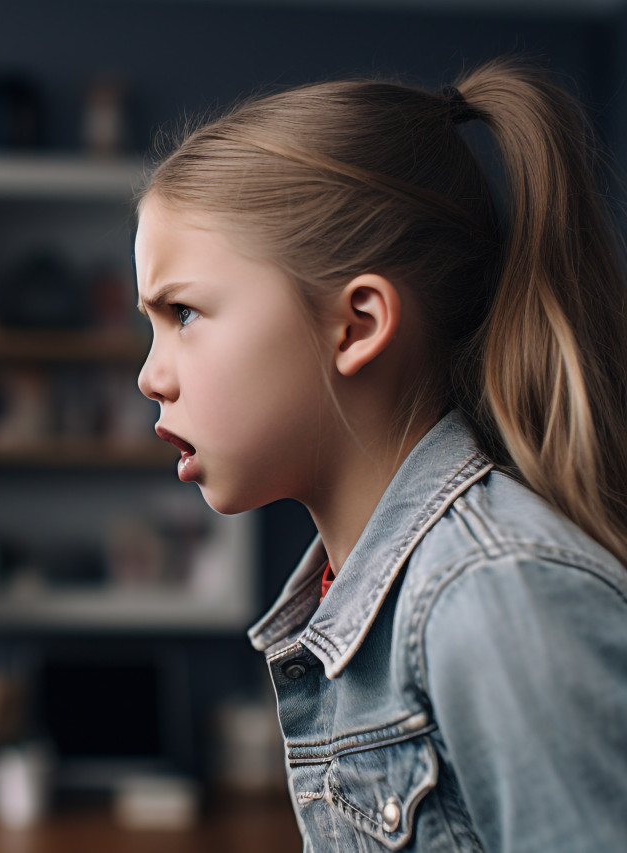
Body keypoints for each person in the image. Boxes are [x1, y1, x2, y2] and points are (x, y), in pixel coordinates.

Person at [135, 61, 627, 851]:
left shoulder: (491, 596)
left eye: (183, 312)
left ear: (357, 324)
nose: (150, 376)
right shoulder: (360, 600)